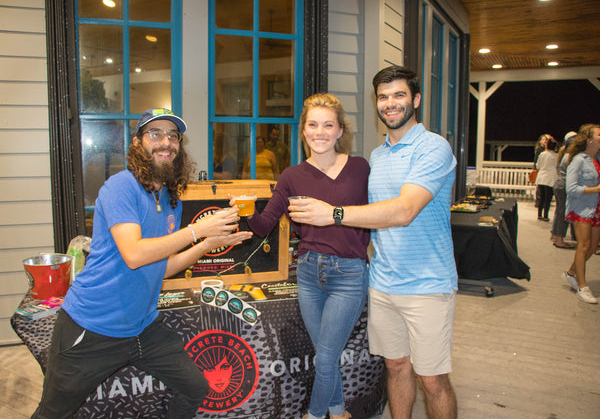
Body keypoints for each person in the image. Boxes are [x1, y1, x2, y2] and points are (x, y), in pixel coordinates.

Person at [31, 108, 252, 419]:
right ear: (137, 144)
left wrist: (208, 244)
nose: (166, 142)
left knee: (197, 387)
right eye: (155, 134)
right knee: (53, 412)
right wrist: (197, 230)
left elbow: (160, 266)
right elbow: (134, 255)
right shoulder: (120, 186)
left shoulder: (169, 198)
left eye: (173, 136)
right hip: (91, 328)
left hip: (143, 329)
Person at [289, 66, 458, 419]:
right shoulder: (377, 157)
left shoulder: (433, 148)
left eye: (399, 95)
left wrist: (332, 214)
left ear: (416, 99)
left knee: (432, 379)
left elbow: (404, 211)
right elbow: (367, 217)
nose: (390, 103)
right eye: (383, 96)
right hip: (382, 281)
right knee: (395, 367)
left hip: (427, 283)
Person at [243, 93, 370, 419]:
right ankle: (339, 413)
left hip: (349, 274)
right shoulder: (291, 176)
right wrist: (242, 209)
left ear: (340, 131)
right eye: (313, 125)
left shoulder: (360, 169)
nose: (320, 132)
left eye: (328, 125)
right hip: (309, 273)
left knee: (326, 358)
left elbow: (379, 214)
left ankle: (313, 416)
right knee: (325, 355)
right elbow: (264, 224)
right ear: (303, 130)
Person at [562, 124, 600, 304]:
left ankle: (571, 273)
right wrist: (596, 189)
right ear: (589, 139)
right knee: (583, 246)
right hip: (581, 208)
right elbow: (571, 189)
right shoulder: (578, 160)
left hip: (595, 208)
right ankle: (582, 287)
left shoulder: (597, 158)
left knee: (592, 247)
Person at [551, 131, 577, 248]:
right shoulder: (571, 157)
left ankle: (556, 236)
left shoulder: (564, 155)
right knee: (563, 214)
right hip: (565, 186)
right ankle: (559, 239)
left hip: (559, 184)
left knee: (559, 212)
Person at [535, 138, 558, 220]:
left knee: (541, 197)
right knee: (548, 198)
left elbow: (538, 165)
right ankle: (545, 216)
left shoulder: (542, 154)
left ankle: (539, 214)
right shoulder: (556, 156)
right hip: (550, 178)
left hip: (541, 177)